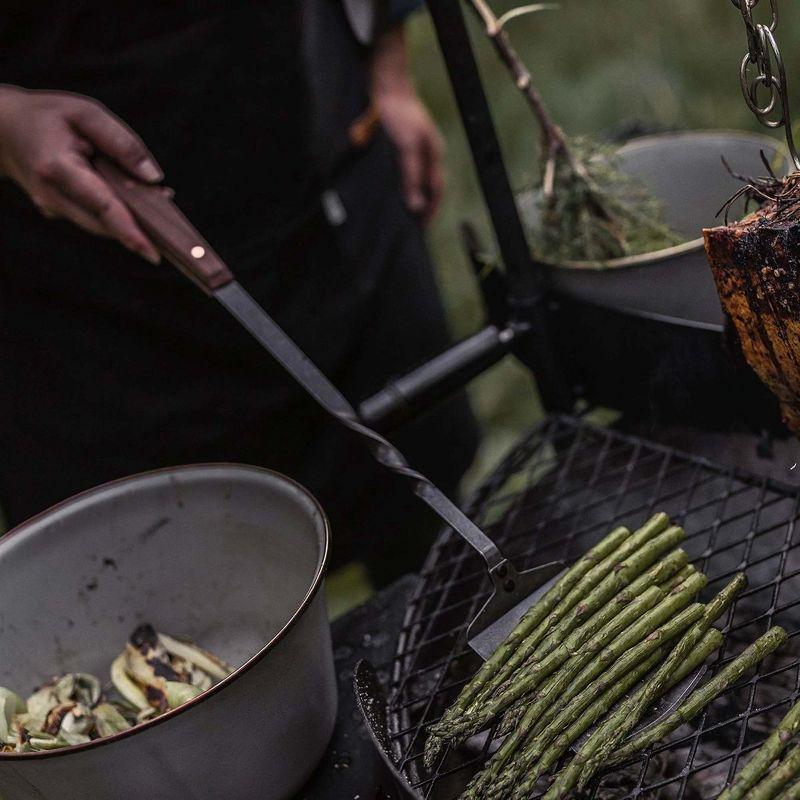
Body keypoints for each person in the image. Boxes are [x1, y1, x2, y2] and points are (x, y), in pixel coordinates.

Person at [0, 1, 479, 585]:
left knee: (432, 528)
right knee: (149, 602)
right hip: (85, 292)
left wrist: (387, 66)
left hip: (328, 167)